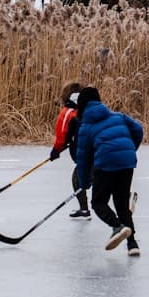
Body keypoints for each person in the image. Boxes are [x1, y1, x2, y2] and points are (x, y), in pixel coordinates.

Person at [75, 86, 144, 256]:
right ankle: (132, 244)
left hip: (106, 164)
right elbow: (138, 130)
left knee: (98, 203)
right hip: (127, 162)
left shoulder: (86, 126)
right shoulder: (117, 116)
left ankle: (117, 227)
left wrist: (84, 183)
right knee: (121, 204)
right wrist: (128, 149)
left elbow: (83, 160)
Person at [49, 81, 91, 219]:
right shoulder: (91, 108)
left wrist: (56, 150)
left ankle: (84, 209)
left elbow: (62, 134)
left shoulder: (68, 112)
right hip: (104, 151)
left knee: (78, 178)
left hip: (88, 155)